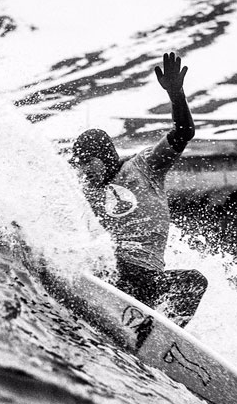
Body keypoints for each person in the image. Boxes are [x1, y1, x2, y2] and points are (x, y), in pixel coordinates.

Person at [69, 51, 208, 326]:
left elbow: (183, 132)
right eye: (80, 165)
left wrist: (176, 94)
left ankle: (159, 336)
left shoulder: (144, 166)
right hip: (113, 268)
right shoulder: (84, 187)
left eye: (89, 162)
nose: (84, 170)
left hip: (149, 276)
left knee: (194, 282)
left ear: (105, 156)